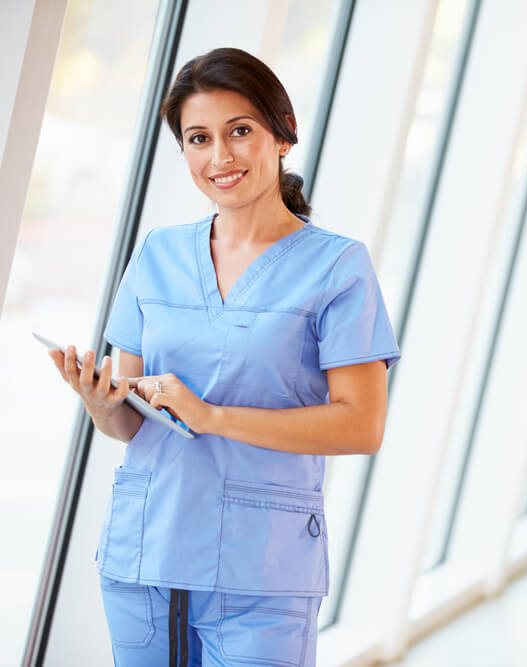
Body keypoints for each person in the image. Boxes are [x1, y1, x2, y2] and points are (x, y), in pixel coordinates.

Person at [47, 47, 400, 666]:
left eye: (240, 131)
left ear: (283, 133)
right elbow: (129, 419)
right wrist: (101, 403)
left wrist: (213, 416)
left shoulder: (339, 267)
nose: (221, 157)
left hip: (261, 568)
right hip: (144, 555)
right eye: (198, 138)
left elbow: (362, 424)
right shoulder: (157, 253)